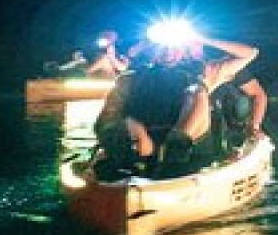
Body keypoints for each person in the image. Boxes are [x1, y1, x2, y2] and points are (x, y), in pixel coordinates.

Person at [94, 28, 261, 178]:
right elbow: (105, 120)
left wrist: (200, 38)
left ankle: (175, 150)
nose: (168, 53)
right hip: (144, 145)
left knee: (196, 90)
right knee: (123, 106)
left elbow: (250, 53)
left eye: (174, 48)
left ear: (184, 49)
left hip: (188, 143)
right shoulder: (131, 77)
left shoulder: (206, 72)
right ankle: (126, 162)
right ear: (153, 50)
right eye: (163, 48)